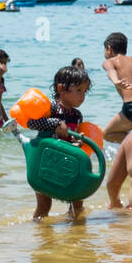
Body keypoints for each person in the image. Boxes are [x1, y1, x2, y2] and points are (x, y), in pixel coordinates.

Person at [27, 64, 92, 220]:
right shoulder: (51, 108)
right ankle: (40, 235)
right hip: (45, 164)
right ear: (62, 88)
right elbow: (31, 123)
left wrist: (76, 142)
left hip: (67, 164)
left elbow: (71, 138)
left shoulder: (77, 115)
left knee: (77, 203)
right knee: (44, 206)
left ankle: (75, 236)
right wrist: (54, 124)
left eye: (85, 91)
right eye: (78, 90)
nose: (82, 96)